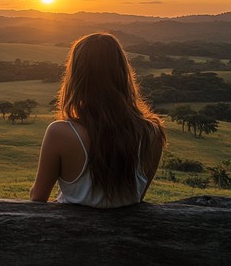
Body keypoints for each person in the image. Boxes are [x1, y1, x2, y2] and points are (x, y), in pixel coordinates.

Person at [30, 32, 166, 207]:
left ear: (76, 77)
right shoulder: (151, 132)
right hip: (128, 234)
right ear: (123, 73)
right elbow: (137, 198)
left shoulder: (61, 132)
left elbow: (38, 196)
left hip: (71, 233)